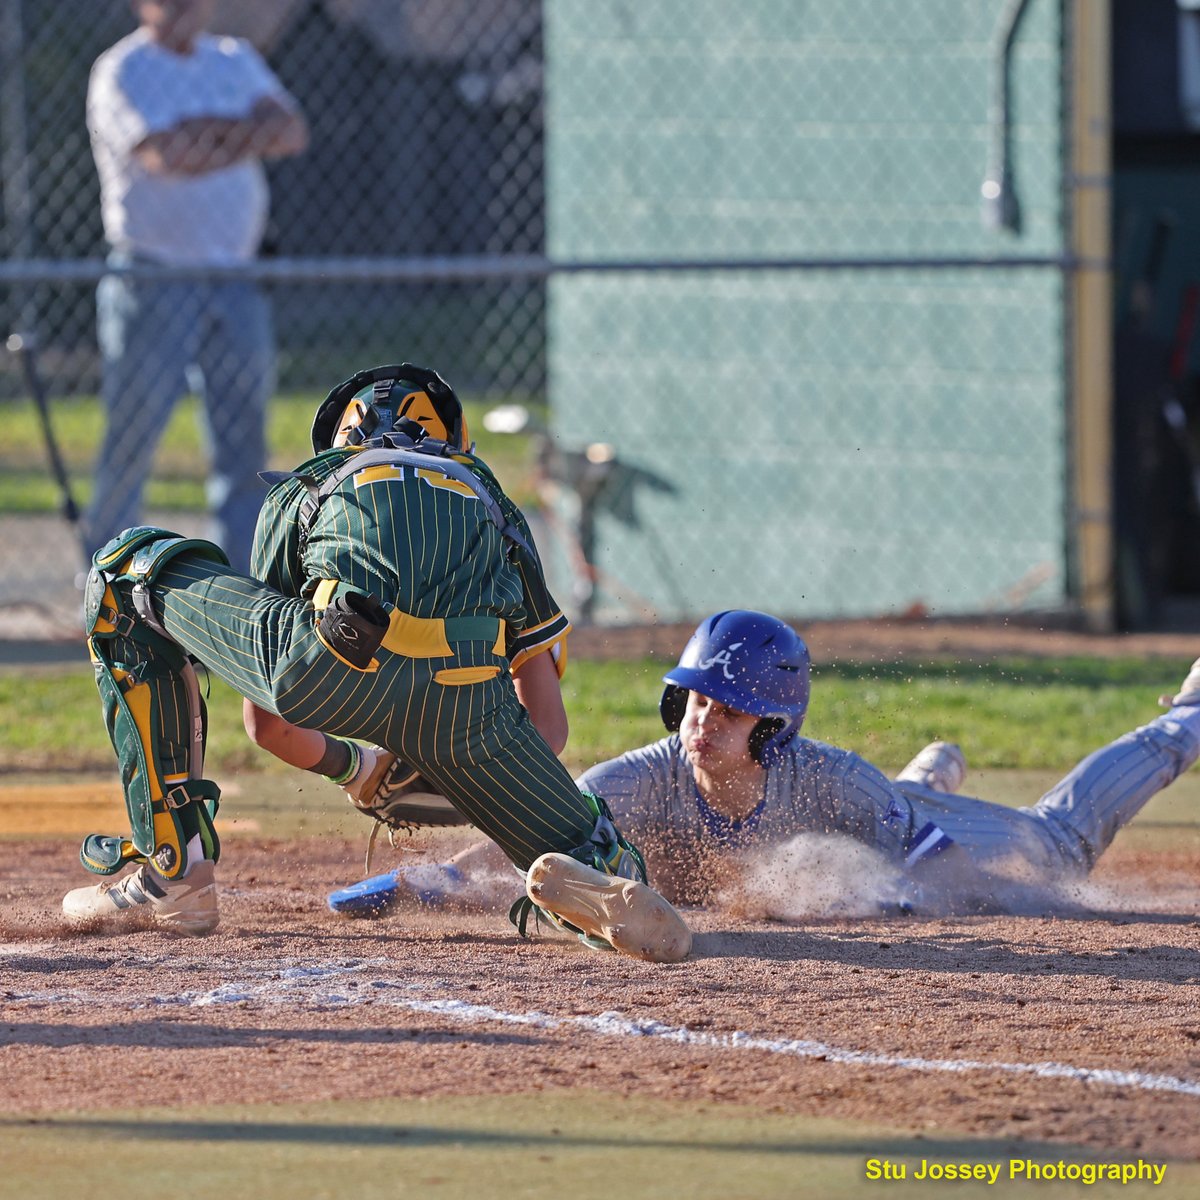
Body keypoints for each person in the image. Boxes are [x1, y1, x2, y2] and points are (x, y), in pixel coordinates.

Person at [60, 362, 691, 963]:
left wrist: (360, 768)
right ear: (455, 440)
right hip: (469, 709)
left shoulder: (311, 484)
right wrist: (463, 779)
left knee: (122, 571)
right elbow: (547, 729)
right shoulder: (487, 497)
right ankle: (597, 878)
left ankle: (175, 871)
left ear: (339, 437)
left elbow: (269, 723)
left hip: (328, 667)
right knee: (595, 854)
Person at [331, 609, 1200, 914]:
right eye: (698, 700)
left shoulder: (828, 778)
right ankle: (926, 770)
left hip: (912, 829)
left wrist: (1025, 899)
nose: (704, 720)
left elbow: (941, 868)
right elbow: (532, 835)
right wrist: (423, 880)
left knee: (1058, 843)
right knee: (886, 803)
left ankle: (1185, 718)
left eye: (730, 708)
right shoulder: (639, 779)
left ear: (774, 724)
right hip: (881, 806)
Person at [84, 0, 309, 572]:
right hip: (153, 275)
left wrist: (203, 133)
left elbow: (289, 132)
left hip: (235, 277)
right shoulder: (123, 69)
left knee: (244, 446)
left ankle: (240, 585)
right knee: (133, 436)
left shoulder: (233, 58)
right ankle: (108, 579)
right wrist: (243, 133)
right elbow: (165, 155)